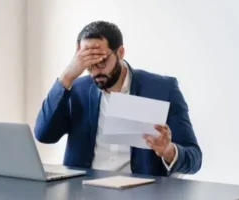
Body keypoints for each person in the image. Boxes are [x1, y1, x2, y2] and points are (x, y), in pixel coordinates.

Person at [34, 21, 202, 176]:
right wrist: (66, 77)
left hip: (140, 192)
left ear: (120, 53)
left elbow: (194, 159)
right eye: (88, 64)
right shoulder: (78, 89)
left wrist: (168, 150)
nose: (95, 72)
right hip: (83, 191)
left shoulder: (163, 89)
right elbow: (44, 134)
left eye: (101, 61)